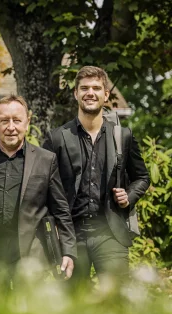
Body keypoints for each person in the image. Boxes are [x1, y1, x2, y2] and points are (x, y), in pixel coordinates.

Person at [43, 66, 150, 290]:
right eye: (84, 88)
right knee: (71, 304)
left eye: (96, 88)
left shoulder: (123, 136)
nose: (90, 92)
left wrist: (128, 195)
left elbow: (142, 176)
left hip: (110, 233)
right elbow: (43, 186)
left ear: (105, 95)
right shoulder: (57, 138)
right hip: (70, 236)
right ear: (76, 93)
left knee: (116, 301)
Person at [0, 95, 76, 285]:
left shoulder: (46, 160)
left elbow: (61, 211)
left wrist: (68, 251)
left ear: (27, 123)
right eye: (4, 121)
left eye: (17, 120)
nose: (11, 127)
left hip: (32, 259)